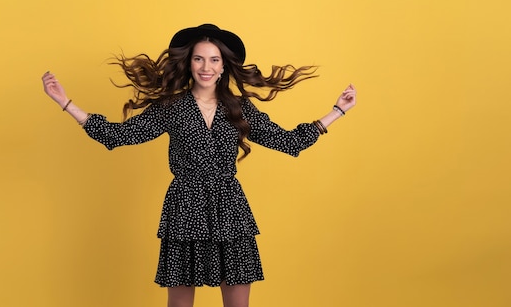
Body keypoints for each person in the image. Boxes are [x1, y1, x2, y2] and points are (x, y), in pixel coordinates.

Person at [41, 23, 356, 307]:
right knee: (179, 304)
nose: (206, 67)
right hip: (184, 206)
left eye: (214, 59)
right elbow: (119, 135)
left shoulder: (239, 108)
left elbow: (288, 142)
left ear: (224, 66)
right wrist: (66, 103)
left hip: (229, 208)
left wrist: (337, 111)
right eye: (199, 59)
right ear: (189, 63)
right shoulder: (171, 106)